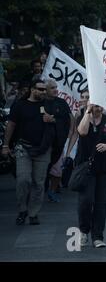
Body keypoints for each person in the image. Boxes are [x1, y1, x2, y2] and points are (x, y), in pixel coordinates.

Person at [2, 79, 55, 225]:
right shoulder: (20, 105)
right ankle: (22, 209)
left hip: (43, 150)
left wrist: (52, 120)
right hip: (23, 148)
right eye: (40, 89)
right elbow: (11, 125)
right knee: (23, 180)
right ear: (32, 89)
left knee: (39, 183)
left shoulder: (49, 105)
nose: (43, 92)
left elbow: (62, 124)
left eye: (45, 89)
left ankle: (33, 213)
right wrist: (5, 145)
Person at [76, 102, 106, 248]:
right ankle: (84, 230)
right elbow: (82, 132)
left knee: (101, 203)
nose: (98, 109)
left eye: (101, 106)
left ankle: (98, 236)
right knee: (86, 200)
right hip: (87, 167)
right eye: (95, 106)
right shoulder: (83, 117)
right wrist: (87, 112)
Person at [45, 79, 74, 202]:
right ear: (45, 90)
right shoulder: (40, 103)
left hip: (59, 142)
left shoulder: (62, 103)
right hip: (43, 144)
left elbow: (70, 118)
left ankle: (52, 190)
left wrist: (71, 133)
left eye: (56, 87)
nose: (55, 90)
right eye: (52, 87)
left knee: (57, 171)